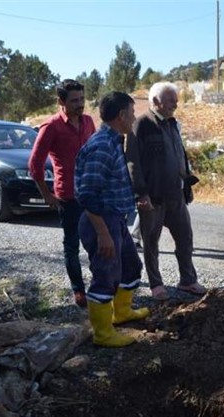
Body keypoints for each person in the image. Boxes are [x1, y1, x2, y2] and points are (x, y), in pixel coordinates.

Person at [75, 91, 149, 348]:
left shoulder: (115, 140)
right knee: (105, 275)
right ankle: (103, 333)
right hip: (101, 222)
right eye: (132, 113)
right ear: (121, 115)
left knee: (130, 266)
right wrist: (103, 232)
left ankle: (122, 313)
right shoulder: (102, 146)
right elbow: (87, 194)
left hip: (115, 219)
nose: (134, 117)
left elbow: (109, 184)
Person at [125, 82, 206, 300]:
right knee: (151, 242)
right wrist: (141, 194)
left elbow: (180, 155)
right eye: (172, 100)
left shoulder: (172, 123)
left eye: (176, 100)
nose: (176, 104)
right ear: (156, 101)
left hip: (176, 195)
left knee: (185, 237)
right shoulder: (140, 125)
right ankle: (156, 284)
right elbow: (133, 162)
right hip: (153, 197)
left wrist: (187, 183)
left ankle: (187, 280)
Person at [29, 79, 96, 308]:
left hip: (91, 194)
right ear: (61, 101)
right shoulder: (51, 127)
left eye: (82, 99)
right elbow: (35, 164)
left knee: (97, 242)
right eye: (74, 101)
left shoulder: (88, 122)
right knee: (72, 245)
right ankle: (79, 290)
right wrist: (47, 195)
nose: (80, 105)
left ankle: (99, 285)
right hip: (68, 197)